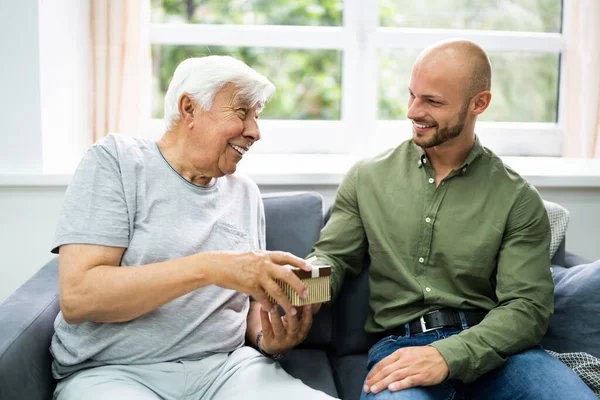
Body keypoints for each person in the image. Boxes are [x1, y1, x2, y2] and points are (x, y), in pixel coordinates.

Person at [307, 39, 597, 399]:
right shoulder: (367, 178)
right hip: (402, 350)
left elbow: (527, 309)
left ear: (479, 103)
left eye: (432, 101)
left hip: (498, 352)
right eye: (412, 95)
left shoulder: (517, 199)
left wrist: (447, 355)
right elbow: (333, 259)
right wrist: (299, 292)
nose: (413, 111)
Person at [50, 55, 336, 400]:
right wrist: (211, 268)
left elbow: (245, 311)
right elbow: (80, 298)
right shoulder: (117, 161)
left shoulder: (245, 192)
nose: (255, 132)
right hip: (114, 372)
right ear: (189, 108)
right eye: (242, 112)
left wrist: (268, 339)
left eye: (257, 116)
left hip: (226, 369)